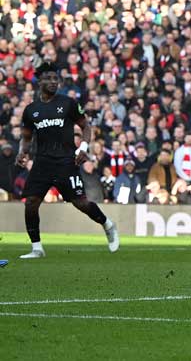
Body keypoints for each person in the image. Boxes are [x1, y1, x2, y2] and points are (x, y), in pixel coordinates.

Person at [17, 69, 120, 258]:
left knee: (81, 203)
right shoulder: (31, 110)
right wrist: (22, 152)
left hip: (66, 161)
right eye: (49, 78)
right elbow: (26, 137)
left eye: (56, 79)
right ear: (39, 82)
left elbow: (85, 126)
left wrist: (83, 148)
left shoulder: (68, 103)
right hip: (42, 163)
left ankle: (108, 225)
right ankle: (37, 248)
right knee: (31, 203)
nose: (54, 82)